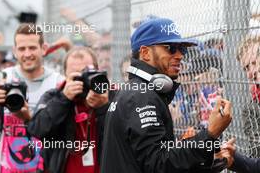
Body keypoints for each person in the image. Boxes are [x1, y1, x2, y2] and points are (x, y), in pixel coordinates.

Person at [100, 17, 233, 173]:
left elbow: (148, 162)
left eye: (182, 49)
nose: (179, 55)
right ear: (145, 53)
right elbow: (158, 164)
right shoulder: (142, 96)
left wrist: (209, 163)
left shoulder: (137, 91)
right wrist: (209, 134)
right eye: (170, 48)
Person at [27, 46, 110, 173]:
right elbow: (37, 129)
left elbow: (123, 138)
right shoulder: (54, 96)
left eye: (86, 72)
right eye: (75, 75)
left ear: (96, 71)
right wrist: (64, 99)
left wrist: (104, 108)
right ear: (65, 75)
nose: (82, 79)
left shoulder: (110, 96)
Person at [0, 23, 64, 172]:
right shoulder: (1, 79)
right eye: (21, 49)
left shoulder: (58, 83)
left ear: (44, 49)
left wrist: (30, 119)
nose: (27, 54)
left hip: (46, 167)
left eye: (32, 48)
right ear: (14, 51)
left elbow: (64, 132)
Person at [237, 35, 260, 157]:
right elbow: (256, 151)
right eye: (246, 68)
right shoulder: (251, 110)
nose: (251, 72)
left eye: (254, 62)